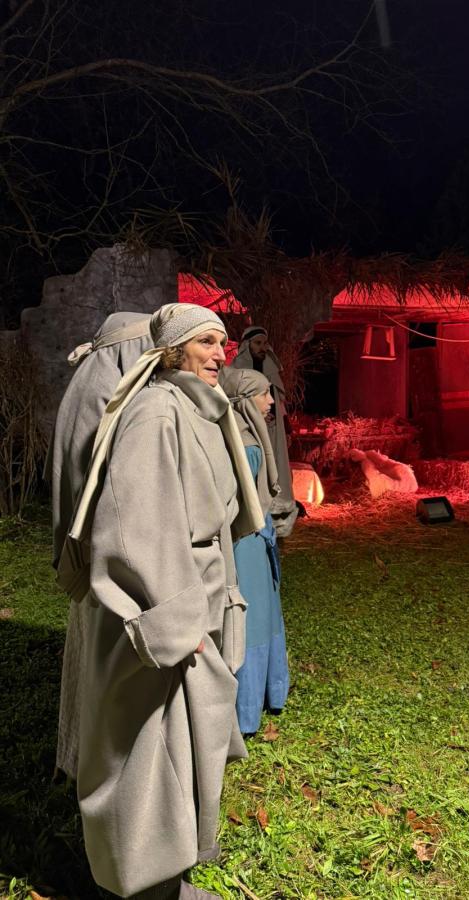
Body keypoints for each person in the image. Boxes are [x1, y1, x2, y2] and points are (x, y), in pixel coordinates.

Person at [62, 303, 264, 899]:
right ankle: (142, 887)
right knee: (145, 754)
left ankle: (167, 879)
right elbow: (133, 528)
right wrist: (174, 622)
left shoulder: (195, 410)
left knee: (184, 748)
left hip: (192, 595)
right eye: (206, 342)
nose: (219, 354)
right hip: (156, 612)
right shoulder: (155, 413)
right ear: (174, 348)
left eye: (222, 343)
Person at [49, 311, 153, 782]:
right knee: (108, 666)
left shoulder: (95, 386)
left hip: (102, 551)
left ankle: (89, 759)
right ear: (127, 352)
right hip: (105, 554)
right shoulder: (102, 395)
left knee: (98, 659)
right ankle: (103, 767)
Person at [220, 366, 290, 735]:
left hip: (256, 538)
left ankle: (264, 693)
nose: (270, 402)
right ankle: (248, 706)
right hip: (245, 539)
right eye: (264, 394)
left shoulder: (245, 434)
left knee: (263, 613)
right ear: (245, 400)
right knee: (253, 616)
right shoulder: (243, 442)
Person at [233, 326, 298, 536]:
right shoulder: (237, 370)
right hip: (249, 429)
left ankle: (277, 510)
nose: (262, 347)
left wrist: (286, 426)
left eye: (264, 343)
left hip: (273, 428)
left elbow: (279, 401)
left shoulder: (270, 367)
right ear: (247, 345)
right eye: (257, 343)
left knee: (276, 462)